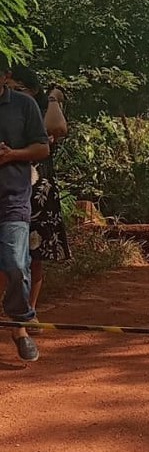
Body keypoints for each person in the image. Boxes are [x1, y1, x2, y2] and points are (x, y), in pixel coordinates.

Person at [6, 66, 70, 327]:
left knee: (35, 255)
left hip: (38, 193)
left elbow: (56, 129)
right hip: (8, 189)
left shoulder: (39, 112)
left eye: (19, 89)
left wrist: (52, 97)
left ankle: (28, 313)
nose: (12, 93)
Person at [0, 61, 50, 362]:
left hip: (13, 199)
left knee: (16, 265)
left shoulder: (24, 105)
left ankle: (20, 323)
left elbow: (43, 148)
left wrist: (11, 155)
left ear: (5, 77)